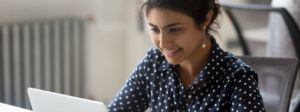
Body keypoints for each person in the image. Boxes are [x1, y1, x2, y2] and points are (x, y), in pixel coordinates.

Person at [108, 0, 265, 111]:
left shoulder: (238, 78)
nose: (163, 43)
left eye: (175, 29)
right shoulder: (154, 62)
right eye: (155, 30)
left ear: (206, 19)